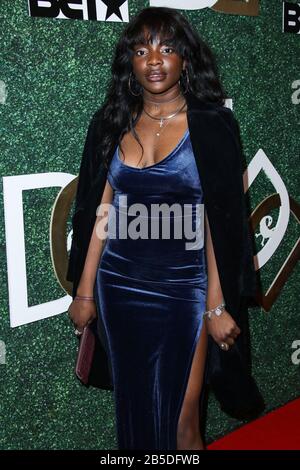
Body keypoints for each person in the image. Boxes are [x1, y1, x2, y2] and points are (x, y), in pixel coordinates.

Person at [67, 6, 264, 451]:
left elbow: (220, 224)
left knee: (183, 419)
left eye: (167, 48)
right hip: (119, 287)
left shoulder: (212, 125)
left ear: (185, 59)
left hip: (185, 288)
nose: (154, 60)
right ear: (130, 63)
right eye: (141, 49)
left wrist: (216, 304)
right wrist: (84, 293)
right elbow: (101, 214)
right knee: (134, 410)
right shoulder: (111, 122)